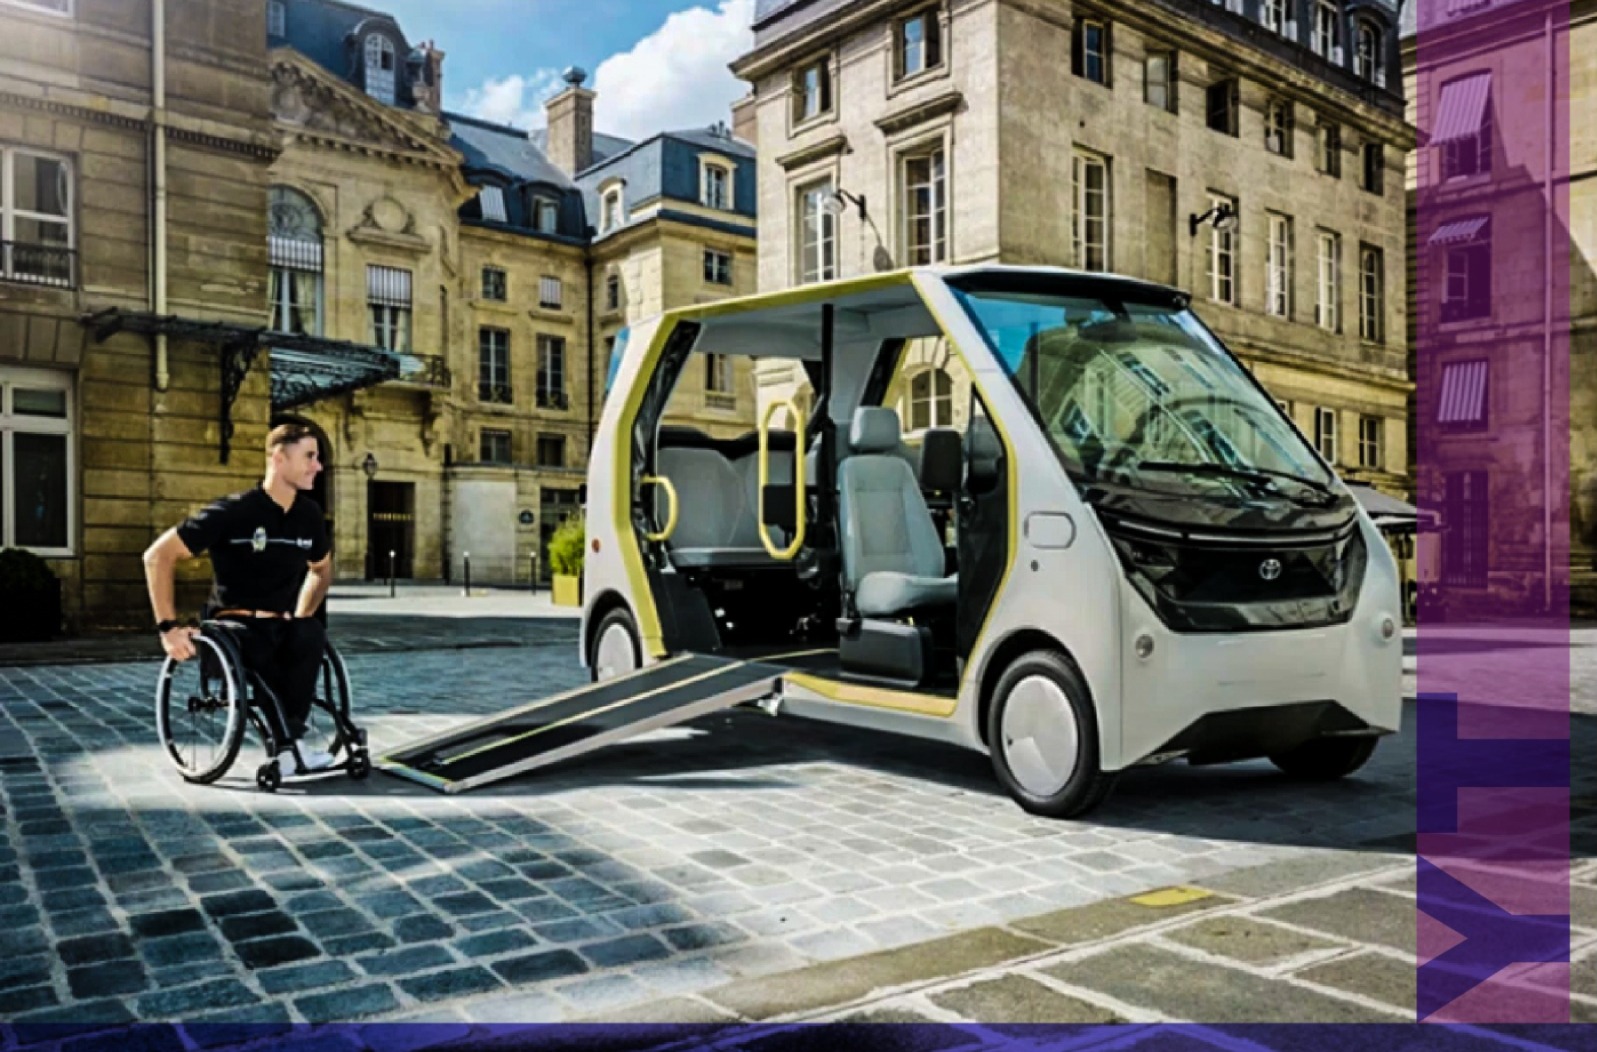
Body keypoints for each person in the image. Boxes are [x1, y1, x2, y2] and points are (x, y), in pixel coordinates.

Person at [143, 422, 337, 773]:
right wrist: (168, 628)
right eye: (309, 456)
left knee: (310, 634)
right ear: (279, 458)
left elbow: (321, 569)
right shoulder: (234, 512)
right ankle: (289, 745)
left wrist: (301, 613)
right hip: (234, 624)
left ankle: (290, 741)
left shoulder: (308, 515)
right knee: (255, 646)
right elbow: (157, 556)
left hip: (282, 622)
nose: (317, 466)